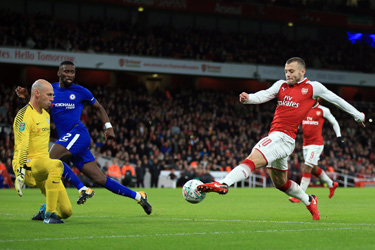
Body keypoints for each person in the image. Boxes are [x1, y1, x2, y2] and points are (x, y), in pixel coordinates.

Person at [197, 57, 365, 220]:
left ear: (302, 71)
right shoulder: (281, 85)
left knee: (253, 157)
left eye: (291, 71)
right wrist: (249, 98)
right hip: (278, 138)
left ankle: (224, 184)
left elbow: (337, 100)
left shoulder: (313, 87)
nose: (288, 74)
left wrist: (358, 115)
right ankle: (309, 200)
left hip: (283, 137)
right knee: (280, 183)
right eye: (286, 71)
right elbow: (264, 94)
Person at [16, 61, 151, 215]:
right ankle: (139, 196)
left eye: (72, 72)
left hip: (78, 133)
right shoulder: (50, 89)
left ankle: (82, 188)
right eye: (66, 71)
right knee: (100, 179)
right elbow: (37, 101)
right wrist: (26, 96)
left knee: (52, 159)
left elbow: (99, 107)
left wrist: (108, 126)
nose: (69, 75)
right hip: (69, 140)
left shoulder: (81, 91)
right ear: (59, 73)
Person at [13, 79, 73, 224]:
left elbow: (36, 101)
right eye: (50, 95)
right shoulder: (23, 116)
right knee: (57, 164)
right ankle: (50, 215)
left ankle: (44, 209)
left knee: (66, 211)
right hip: (28, 164)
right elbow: (22, 145)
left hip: (43, 166)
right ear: (38, 94)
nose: (53, 98)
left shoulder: (46, 114)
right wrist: (20, 171)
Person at [289, 101, 343, 203]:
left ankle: (299, 195)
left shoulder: (323, 110)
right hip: (306, 144)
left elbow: (334, 122)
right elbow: (299, 120)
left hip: (316, 144)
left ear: (317, 98)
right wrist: (299, 128)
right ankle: (331, 184)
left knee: (307, 167)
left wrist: (339, 136)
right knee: (313, 169)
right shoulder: (303, 107)